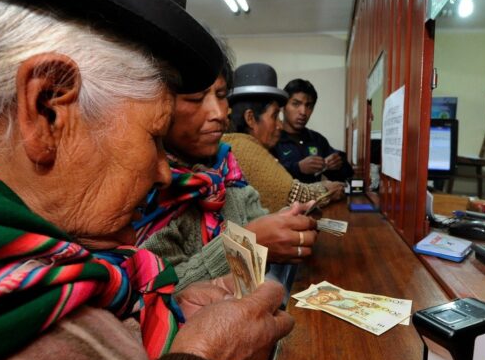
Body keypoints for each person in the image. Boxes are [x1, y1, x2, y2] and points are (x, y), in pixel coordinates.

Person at [0, 0, 293, 360]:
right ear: (49, 107)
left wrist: (174, 306)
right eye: (155, 136)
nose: (163, 170)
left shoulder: (59, 270)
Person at [138, 57, 319, 291]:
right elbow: (157, 294)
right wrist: (246, 246)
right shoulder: (146, 187)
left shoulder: (226, 164)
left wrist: (279, 225)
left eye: (222, 95)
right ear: (161, 105)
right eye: (196, 98)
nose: (218, 113)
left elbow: (255, 218)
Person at [223, 63, 345, 213]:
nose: (279, 126)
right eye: (274, 115)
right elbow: (294, 195)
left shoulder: (234, 143)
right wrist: (328, 189)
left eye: (309, 106)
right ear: (250, 118)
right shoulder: (245, 148)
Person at [273, 78, 353, 183]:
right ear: (283, 107)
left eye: (309, 106)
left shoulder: (317, 139)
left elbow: (347, 175)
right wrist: (298, 168)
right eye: (296, 104)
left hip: (316, 199)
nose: (303, 112)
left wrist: (338, 164)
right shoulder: (272, 138)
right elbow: (265, 176)